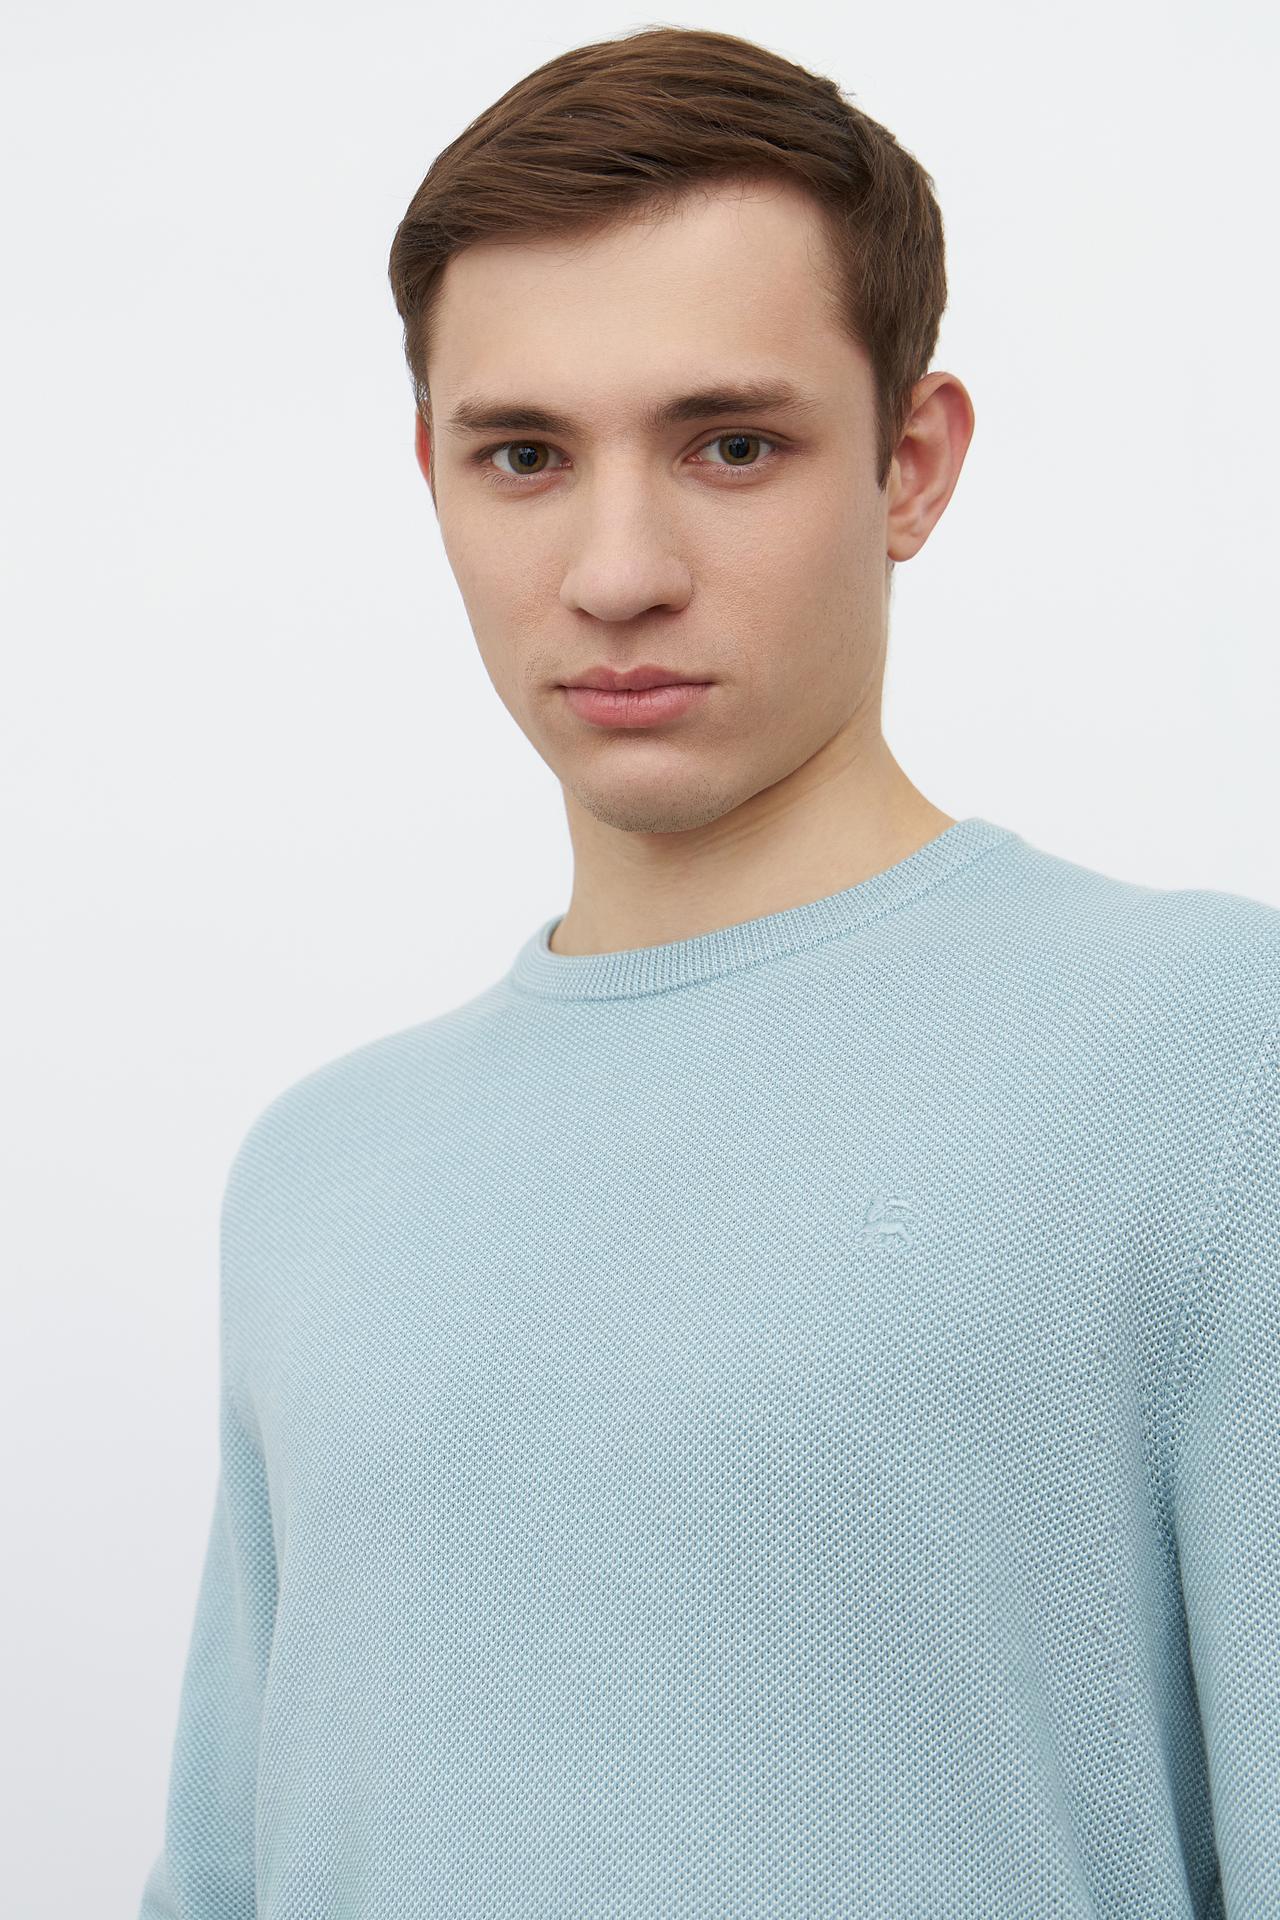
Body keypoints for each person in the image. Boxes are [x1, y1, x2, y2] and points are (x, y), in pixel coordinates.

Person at [138, 25, 1278, 1919]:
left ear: (912, 464)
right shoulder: (316, 1170)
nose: (617, 571)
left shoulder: (1215, 1061)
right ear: (432, 476)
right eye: (523, 455)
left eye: (731, 445)